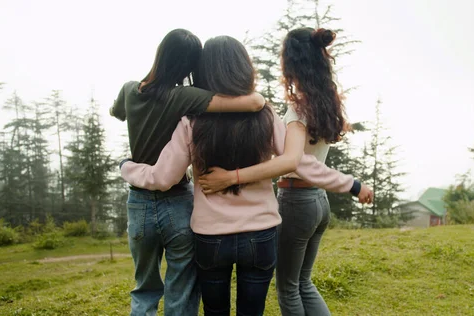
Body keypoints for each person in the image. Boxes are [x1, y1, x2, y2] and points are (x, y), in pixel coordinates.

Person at [120, 35, 371, 316]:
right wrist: (351, 184)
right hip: (259, 234)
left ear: (203, 71)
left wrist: (127, 168)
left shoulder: (192, 121)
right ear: (244, 67)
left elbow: (162, 178)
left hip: (211, 236)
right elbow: (302, 163)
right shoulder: (264, 115)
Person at [197, 27, 372, 316]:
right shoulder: (325, 103)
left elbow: (293, 161)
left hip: (298, 201)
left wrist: (231, 177)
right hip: (318, 201)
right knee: (304, 282)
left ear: (290, 62)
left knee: (289, 288)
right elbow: (309, 162)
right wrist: (351, 184)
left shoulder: (297, 111)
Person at [110, 28, 266, 316]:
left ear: (161, 53)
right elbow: (254, 102)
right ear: (191, 65)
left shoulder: (129, 89)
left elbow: (116, 113)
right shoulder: (186, 97)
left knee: (143, 287)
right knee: (181, 284)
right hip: (176, 201)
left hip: (139, 202)